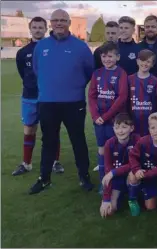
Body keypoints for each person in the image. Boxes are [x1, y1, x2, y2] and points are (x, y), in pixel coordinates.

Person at [29, 9, 94, 194]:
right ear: (51, 23)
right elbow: (37, 69)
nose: (59, 23)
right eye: (55, 20)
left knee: (78, 140)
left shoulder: (81, 47)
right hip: (48, 103)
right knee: (48, 141)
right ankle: (44, 178)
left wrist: (73, 87)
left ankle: (84, 176)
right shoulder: (41, 47)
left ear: (69, 23)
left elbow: (89, 72)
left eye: (63, 20)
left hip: (74, 103)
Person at [13, 16, 63, 176]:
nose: (37, 30)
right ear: (30, 29)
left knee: (52, 130)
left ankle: (55, 162)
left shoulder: (55, 48)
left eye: (40, 27)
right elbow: (23, 73)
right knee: (29, 129)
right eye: (34, 27)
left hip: (50, 96)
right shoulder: (22, 52)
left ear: (46, 28)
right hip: (30, 96)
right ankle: (26, 163)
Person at [88, 42, 128, 193]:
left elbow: (122, 97)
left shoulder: (121, 73)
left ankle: (120, 181)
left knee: (117, 149)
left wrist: (105, 117)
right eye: (104, 56)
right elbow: (91, 96)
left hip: (114, 119)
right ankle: (103, 182)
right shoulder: (97, 73)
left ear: (117, 57)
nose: (107, 59)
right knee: (102, 150)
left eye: (110, 56)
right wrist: (95, 115)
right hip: (99, 120)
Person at [127, 112, 157, 223]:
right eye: (152, 128)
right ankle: (132, 199)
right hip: (144, 173)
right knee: (132, 175)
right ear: (149, 129)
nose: (156, 131)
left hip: (155, 174)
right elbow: (132, 156)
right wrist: (136, 169)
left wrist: (147, 174)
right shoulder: (143, 141)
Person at [99, 113, 140, 218]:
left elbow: (135, 164)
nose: (120, 131)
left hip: (131, 176)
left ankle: (132, 198)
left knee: (133, 175)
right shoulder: (109, 144)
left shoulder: (137, 140)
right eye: (117, 128)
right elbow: (108, 170)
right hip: (116, 179)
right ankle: (119, 195)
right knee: (109, 211)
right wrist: (106, 199)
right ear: (113, 129)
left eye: (124, 127)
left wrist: (113, 172)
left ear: (131, 128)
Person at [128, 49, 157, 137]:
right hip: (133, 120)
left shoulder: (155, 81)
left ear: (152, 64)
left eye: (148, 61)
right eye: (142, 60)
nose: (145, 64)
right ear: (137, 61)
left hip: (150, 121)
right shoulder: (129, 79)